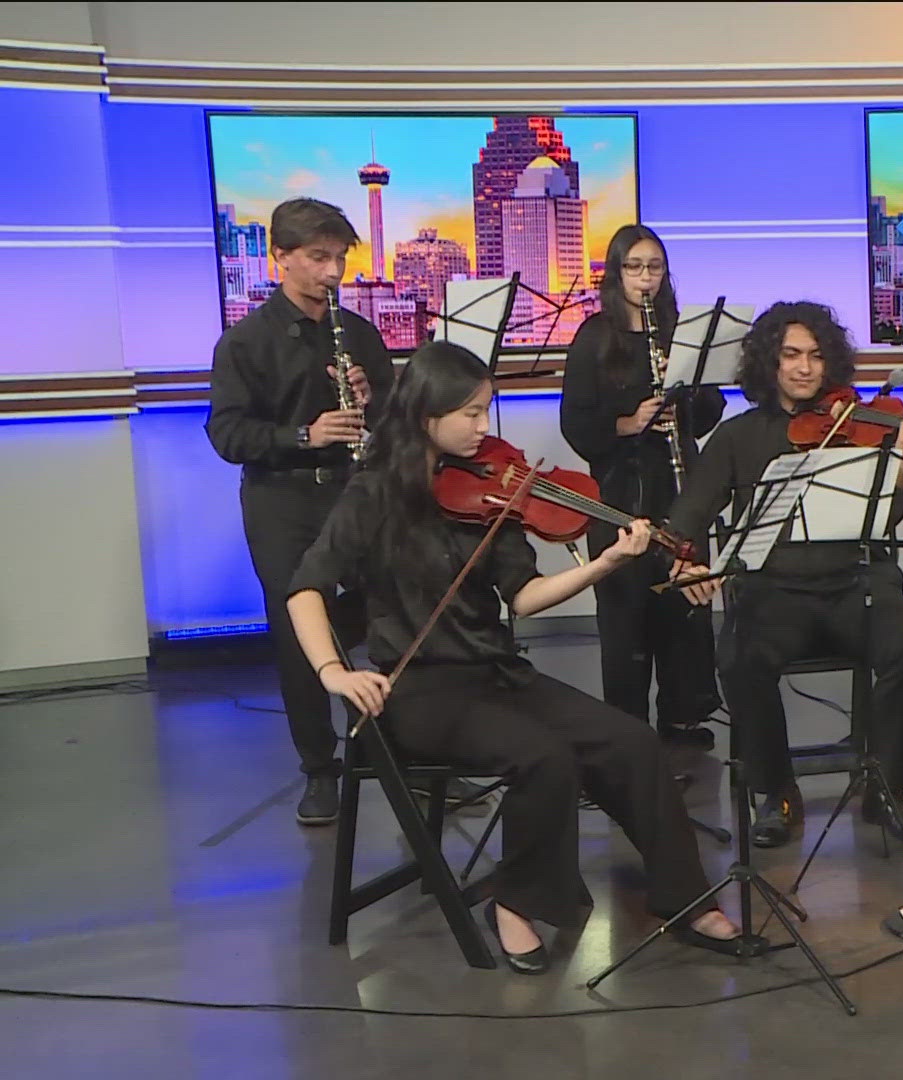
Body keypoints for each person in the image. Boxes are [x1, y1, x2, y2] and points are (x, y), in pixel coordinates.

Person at [284, 341, 741, 974]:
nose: (483, 427)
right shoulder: (372, 496)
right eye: (471, 413)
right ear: (425, 413)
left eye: (485, 411)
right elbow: (305, 587)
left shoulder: (488, 493)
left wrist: (607, 562)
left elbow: (525, 597)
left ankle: (687, 897)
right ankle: (514, 900)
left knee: (631, 741)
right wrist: (334, 673)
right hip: (416, 690)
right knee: (543, 758)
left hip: (495, 673)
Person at [664, 302, 903, 849]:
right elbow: (689, 512)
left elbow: (885, 519)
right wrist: (688, 556)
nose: (805, 368)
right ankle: (776, 790)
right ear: (769, 362)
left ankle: (886, 787)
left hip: (857, 583)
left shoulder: (860, 425)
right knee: (740, 660)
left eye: (815, 356)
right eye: (791, 355)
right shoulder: (738, 437)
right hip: (773, 591)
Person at [206, 197, 401, 826]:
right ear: (279, 258)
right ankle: (321, 769)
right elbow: (228, 434)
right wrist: (304, 436)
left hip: (355, 490)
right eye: (318, 258)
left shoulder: (361, 334)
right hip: (282, 499)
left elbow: (397, 424)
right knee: (299, 634)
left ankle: (406, 746)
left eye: (339, 258)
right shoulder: (245, 341)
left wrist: (373, 401)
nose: (332, 272)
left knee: (395, 607)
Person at [561, 225, 726, 749]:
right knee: (627, 611)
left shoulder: (685, 333)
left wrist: (689, 401)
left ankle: (682, 716)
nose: (646, 277)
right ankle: (628, 724)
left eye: (654, 266)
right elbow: (575, 422)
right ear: (617, 274)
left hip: (680, 485)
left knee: (683, 603)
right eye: (634, 267)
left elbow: (712, 411)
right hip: (620, 491)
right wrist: (627, 424)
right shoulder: (594, 336)